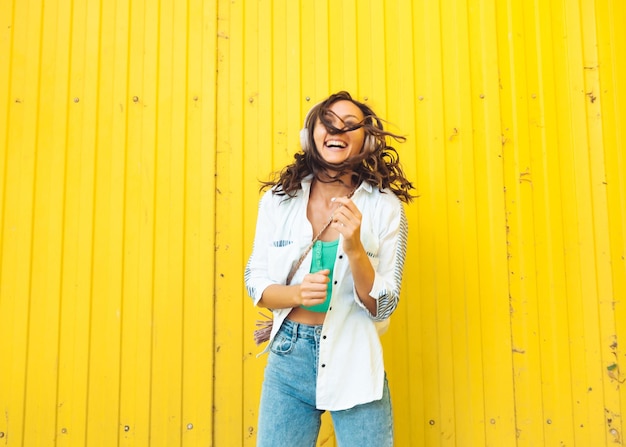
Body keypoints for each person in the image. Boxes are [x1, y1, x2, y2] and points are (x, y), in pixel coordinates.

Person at [245, 91, 415, 447]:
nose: (338, 130)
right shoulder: (278, 201)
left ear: (366, 141)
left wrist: (354, 247)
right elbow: (255, 281)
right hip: (289, 357)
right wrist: (295, 294)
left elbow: (384, 304)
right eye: (329, 123)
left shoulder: (386, 209)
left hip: (354, 354)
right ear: (312, 135)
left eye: (351, 126)